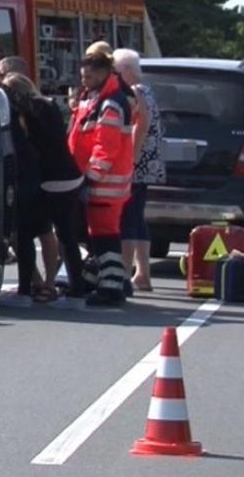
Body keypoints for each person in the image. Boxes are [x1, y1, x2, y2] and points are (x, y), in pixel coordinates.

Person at [0, 71, 87, 302]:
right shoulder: (49, 106)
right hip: (70, 174)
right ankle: (75, 290)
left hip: (46, 179)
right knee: (66, 236)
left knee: (25, 232)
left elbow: (28, 146)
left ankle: (26, 289)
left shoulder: (24, 112)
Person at [68, 52, 135, 307]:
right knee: (95, 235)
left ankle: (111, 286)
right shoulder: (97, 98)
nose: (85, 81)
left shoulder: (110, 104)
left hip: (105, 184)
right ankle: (96, 276)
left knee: (105, 237)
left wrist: (90, 178)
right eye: (83, 76)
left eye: (89, 76)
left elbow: (106, 148)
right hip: (101, 180)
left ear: (104, 72)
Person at [113, 48, 166, 292]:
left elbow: (140, 125)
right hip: (148, 164)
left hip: (137, 164)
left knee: (128, 218)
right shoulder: (147, 90)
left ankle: (124, 274)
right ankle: (142, 273)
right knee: (138, 217)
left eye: (116, 70)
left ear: (126, 70)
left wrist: (130, 158)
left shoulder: (135, 92)